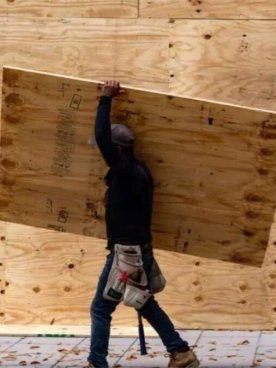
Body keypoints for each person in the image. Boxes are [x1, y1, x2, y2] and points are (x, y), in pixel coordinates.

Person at [87, 80, 200, 368]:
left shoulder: (125, 172)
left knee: (101, 308)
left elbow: (101, 137)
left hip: (126, 253)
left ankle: (96, 362)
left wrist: (105, 98)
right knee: (145, 303)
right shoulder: (140, 170)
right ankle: (181, 352)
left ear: (118, 150)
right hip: (138, 249)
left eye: (109, 151)